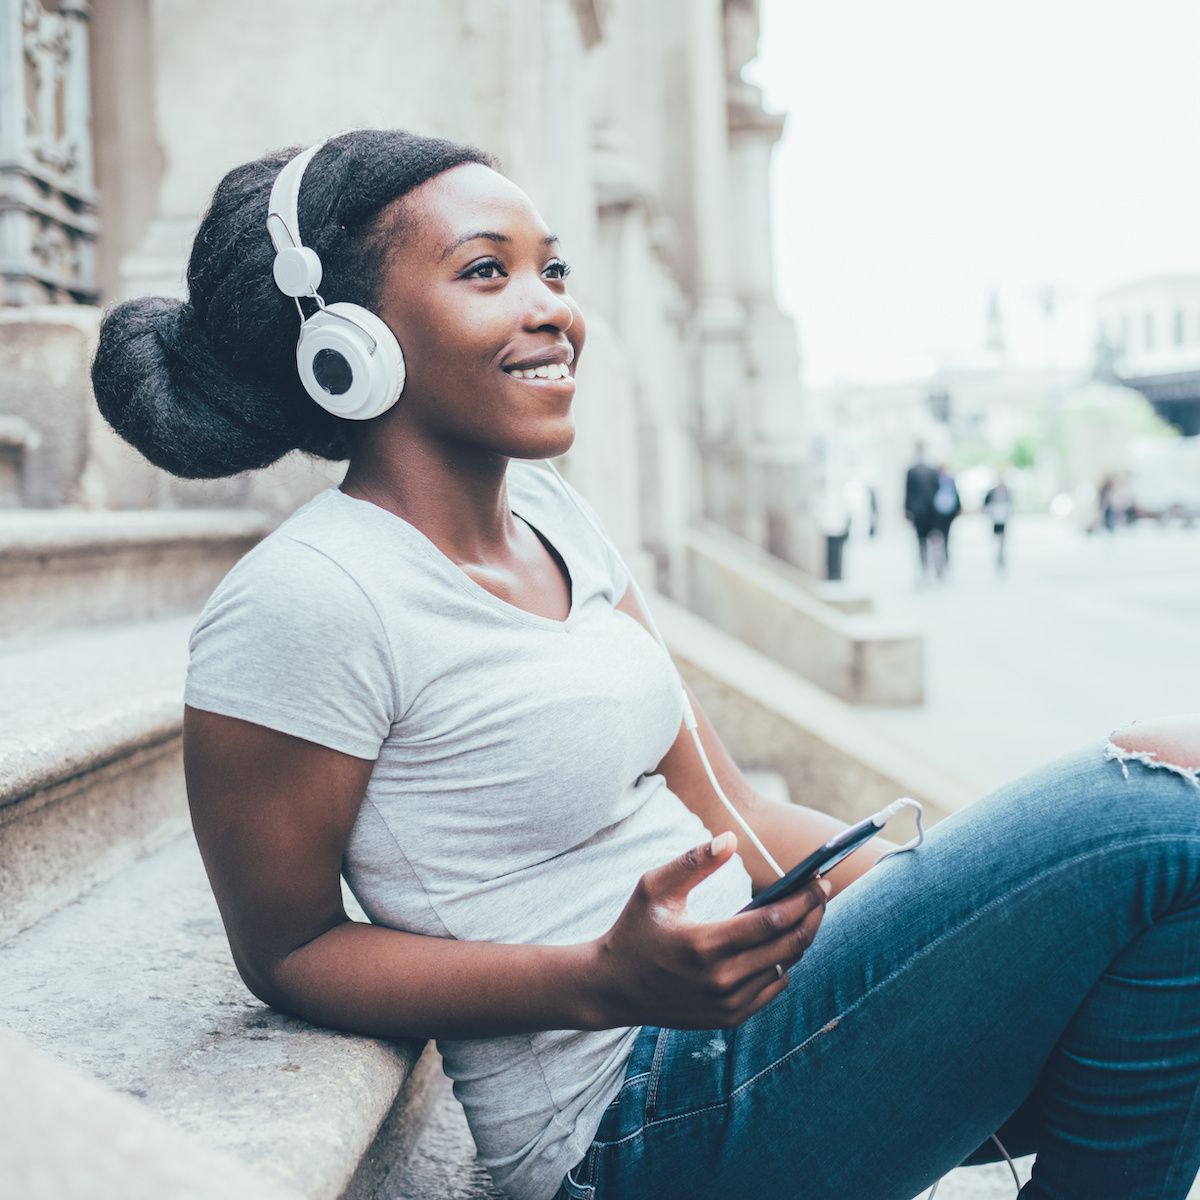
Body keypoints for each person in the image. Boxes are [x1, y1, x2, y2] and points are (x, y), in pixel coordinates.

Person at [90, 129, 1200, 1200]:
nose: (553, 309)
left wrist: (968, 908)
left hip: (768, 1022)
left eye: (553, 269)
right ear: (351, 342)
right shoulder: (309, 599)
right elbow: (288, 951)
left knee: (1164, 901)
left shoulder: (558, 521)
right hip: (628, 1126)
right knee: (1163, 804)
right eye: (488, 272)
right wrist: (599, 978)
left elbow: (734, 810)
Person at [904, 443, 940, 581]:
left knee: (922, 542)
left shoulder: (913, 470)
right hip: (930, 511)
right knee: (930, 541)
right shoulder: (931, 469)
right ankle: (931, 567)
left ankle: (925, 567)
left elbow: (908, 493)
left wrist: (908, 510)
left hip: (919, 512)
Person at [930, 462, 962, 578]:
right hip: (937, 514)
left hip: (948, 513)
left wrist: (958, 508)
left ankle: (945, 559)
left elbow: (956, 493)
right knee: (938, 538)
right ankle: (939, 563)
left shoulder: (950, 480)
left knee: (946, 537)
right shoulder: (934, 480)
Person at [983, 471, 1014, 572]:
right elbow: (986, 503)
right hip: (995, 516)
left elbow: (1011, 503)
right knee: (996, 536)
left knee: (1002, 536)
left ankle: (1001, 553)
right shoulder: (992, 491)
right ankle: (998, 553)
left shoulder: (1007, 491)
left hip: (1003, 516)